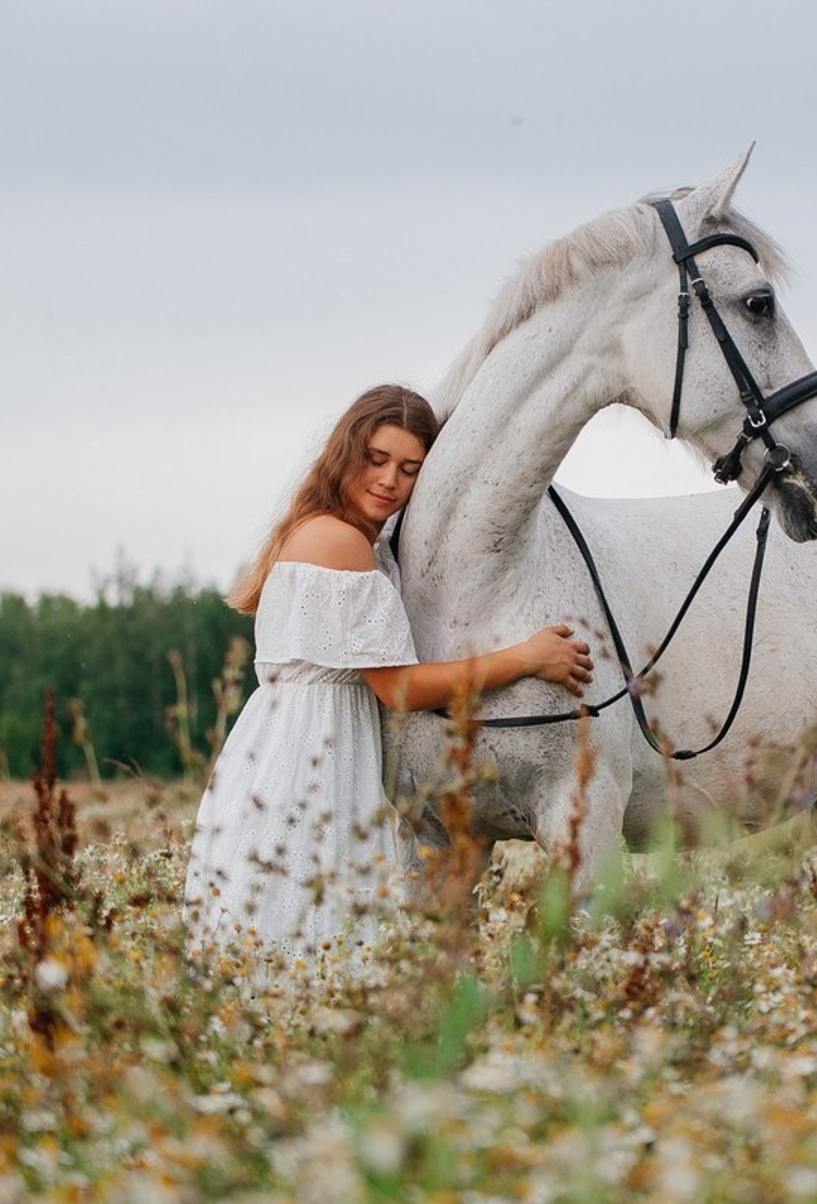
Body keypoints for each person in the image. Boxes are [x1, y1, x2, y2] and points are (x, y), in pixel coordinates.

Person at [183, 383, 592, 964]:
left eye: (409, 469)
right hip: (309, 762)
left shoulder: (327, 532)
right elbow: (399, 688)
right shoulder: (341, 543)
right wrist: (525, 658)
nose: (389, 481)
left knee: (287, 942)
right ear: (344, 454)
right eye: (376, 459)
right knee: (314, 940)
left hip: (282, 751)